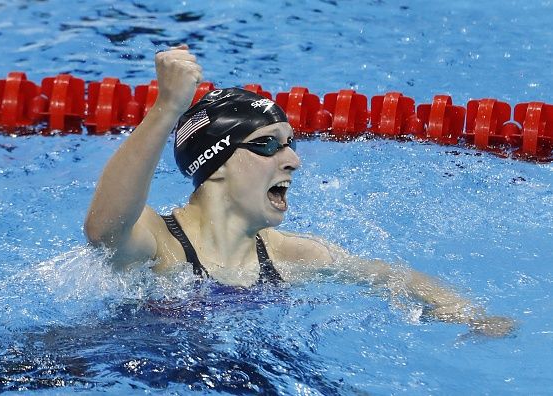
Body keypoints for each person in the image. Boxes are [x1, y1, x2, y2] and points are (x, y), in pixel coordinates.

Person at [84, 45, 514, 336]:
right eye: (268, 144)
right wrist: (166, 109)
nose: (292, 159)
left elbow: (387, 275)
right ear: (214, 164)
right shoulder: (161, 243)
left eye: (290, 142)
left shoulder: (289, 254)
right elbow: (105, 228)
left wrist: (469, 315)